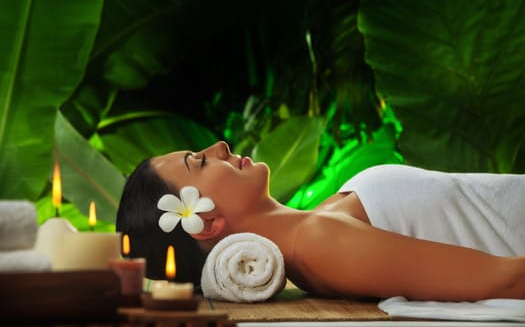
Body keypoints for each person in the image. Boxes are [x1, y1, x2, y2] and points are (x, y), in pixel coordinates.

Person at [116, 141, 525, 301]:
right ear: (203, 223)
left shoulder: (319, 223)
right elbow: (504, 280)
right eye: (200, 162)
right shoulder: (320, 245)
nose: (219, 146)